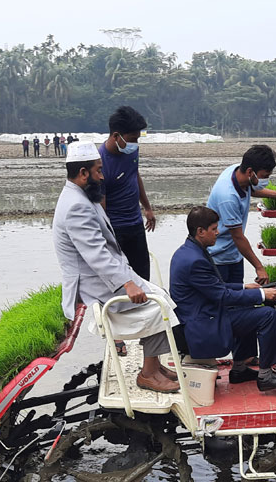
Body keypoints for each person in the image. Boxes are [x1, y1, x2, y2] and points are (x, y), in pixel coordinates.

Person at [52, 141, 180, 393]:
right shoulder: (77, 206)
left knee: (162, 296)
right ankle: (148, 374)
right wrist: (127, 282)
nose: (102, 176)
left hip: (102, 275)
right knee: (159, 304)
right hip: (94, 283)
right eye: (99, 170)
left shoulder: (78, 196)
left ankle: (153, 364)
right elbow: (97, 254)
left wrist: (128, 276)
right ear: (83, 173)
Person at [170, 206, 276, 391]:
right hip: (202, 323)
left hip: (201, 314)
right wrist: (262, 294)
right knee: (267, 315)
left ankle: (239, 369)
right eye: (214, 229)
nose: (218, 232)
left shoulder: (189, 250)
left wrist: (245, 287)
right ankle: (266, 376)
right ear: (200, 231)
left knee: (246, 309)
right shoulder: (195, 260)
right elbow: (222, 295)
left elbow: (213, 288)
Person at [205, 145, 276, 285]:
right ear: (250, 172)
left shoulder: (237, 171)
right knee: (225, 299)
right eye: (264, 176)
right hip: (219, 257)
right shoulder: (227, 196)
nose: (266, 180)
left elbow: (249, 189)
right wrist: (259, 267)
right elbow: (238, 236)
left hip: (235, 254)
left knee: (238, 298)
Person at [99, 106, 156, 281]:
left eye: (137, 139)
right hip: (116, 229)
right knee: (121, 279)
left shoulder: (131, 150)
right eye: (132, 139)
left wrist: (147, 208)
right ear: (116, 136)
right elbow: (101, 204)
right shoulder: (100, 162)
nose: (135, 144)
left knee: (143, 276)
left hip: (136, 224)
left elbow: (134, 175)